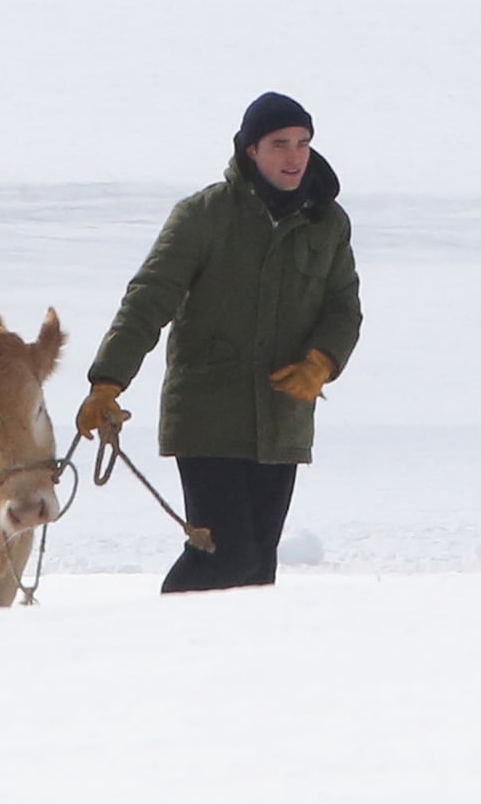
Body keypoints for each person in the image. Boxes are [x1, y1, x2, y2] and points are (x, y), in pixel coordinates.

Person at [76, 92, 362, 593]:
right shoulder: (203, 216)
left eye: (303, 144)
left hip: (283, 418)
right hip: (209, 415)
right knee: (225, 556)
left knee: (257, 571)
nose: (295, 156)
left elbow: (343, 307)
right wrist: (107, 382)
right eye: (280, 144)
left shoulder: (328, 223)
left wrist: (320, 362)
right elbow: (148, 300)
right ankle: (149, 639)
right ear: (251, 150)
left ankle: (230, 667)